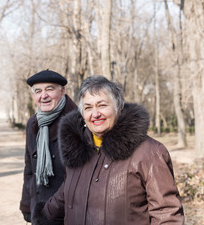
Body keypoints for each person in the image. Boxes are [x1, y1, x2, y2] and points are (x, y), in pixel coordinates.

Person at [33, 75, 184, 224]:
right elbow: (67, 191)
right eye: (88, 107)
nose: (95, 114)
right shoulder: (77, 149)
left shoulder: (149, 152)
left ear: (119, 107)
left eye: (102, 105)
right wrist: (44, 215)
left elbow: (167, 214)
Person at [19, 69, 78, 223]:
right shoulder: (33, 123)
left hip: (68, 213)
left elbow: (77, 179)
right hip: (39, 211)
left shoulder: (77, 123)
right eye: (38, 91)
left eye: (49, 89)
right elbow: (29, 169)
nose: (43, 96)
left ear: (62, 91)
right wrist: (27, 205)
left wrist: (50, 211)